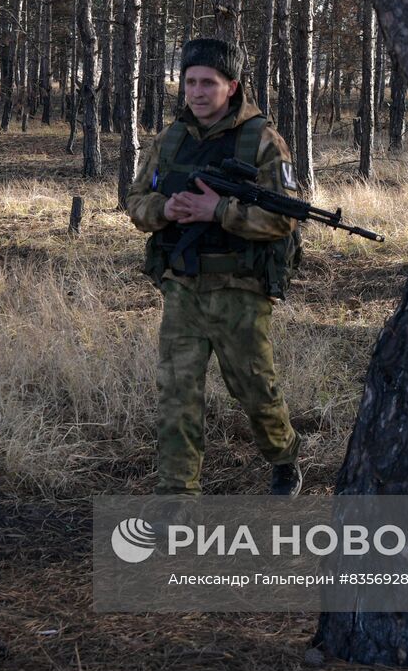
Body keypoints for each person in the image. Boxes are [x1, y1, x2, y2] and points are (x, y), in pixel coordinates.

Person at [127, 37, 303, 497]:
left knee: (254, 389)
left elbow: (285, 217)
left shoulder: (262, 139)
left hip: (241, 290)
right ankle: (177, 499)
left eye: (209, 82)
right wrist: (165, 210)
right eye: (190, 82)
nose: (198, 92)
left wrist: (218, 211)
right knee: (177, 396)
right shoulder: (169, 139)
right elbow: (135, 202)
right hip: (182, 286)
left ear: (233, 86)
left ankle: (284, 456)